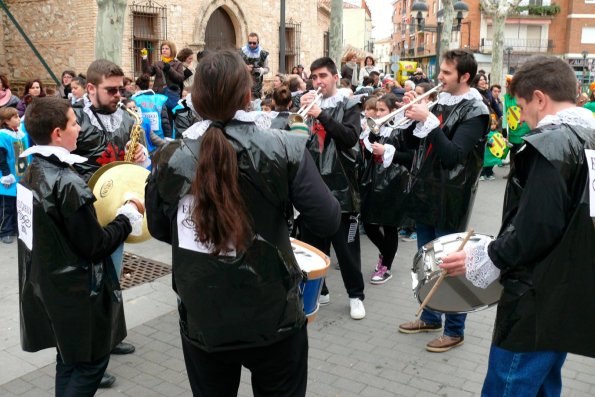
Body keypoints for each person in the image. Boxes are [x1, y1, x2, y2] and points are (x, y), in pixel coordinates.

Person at [145, 49, 340, 397]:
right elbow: (328, 220)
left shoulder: (170, 155)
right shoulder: (286, 146)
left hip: (204, 315)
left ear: (196, 100)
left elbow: (160, 229)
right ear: (248, 96)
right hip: (274, 314)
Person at [439, 56, 595, 395]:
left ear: (540, 98)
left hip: (535, 297)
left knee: (508, 385)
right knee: (544, 384)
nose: (521, 117)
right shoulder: (590, 138)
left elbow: (535, 228)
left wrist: (487, 256)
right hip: (571, 290)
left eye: (522, 106)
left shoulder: (551, 142)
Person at [18, 97, 144, 396]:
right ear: (57, 134)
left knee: (68, 359)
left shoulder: (30, 169)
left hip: (49, 286)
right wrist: (127, 216)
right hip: (78, 292)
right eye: (74, 123)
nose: (79, 129)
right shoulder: (66, 181)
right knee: (89, 365)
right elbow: (96, 246)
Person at [397, 49, 490, 352]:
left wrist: (430, 122)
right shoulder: (439, 102)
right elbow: (416, 146)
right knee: (427, 259)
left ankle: (455, 329)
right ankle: (430, 315)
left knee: (449, 264)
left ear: (464, 77)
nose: (439, 77)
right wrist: (410, 120)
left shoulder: (476, 111)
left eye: (447, 73)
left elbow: (452, 156)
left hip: (451, 196)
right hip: (426, 191)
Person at [71, 59, 150, 386]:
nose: (119, 95)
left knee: (113, 280)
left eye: (122, 88)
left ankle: (111, 337)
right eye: (111, 90)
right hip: (86, 213)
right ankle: (89, 360)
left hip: (117, 210)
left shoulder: (128, 116)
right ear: (90, 88)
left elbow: (132, 153)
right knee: (91, 289)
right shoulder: (73, 119)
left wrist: (141, 156)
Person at [299, 56, 366, 320]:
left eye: (323, 76)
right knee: (313, 246)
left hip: (342, 188)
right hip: (312, 187)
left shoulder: (350, 105)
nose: (318, 82)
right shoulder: (307, 104)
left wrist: (322, 115)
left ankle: (355, 296)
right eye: (314, 77)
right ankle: (320, 290)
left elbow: (349, 137)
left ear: (335, 78)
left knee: (346, 248)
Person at [359, 94, 414, 284]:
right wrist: (372, 132)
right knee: (368, 223)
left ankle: (386, 266)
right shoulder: (378, 127)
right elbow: (366, 152)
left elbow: (411, 158)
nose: (378, 113)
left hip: (395, 182)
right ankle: (386, 252)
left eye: (382, 110)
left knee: (390, 225)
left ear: (393, 111)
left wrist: (388, 152)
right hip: (374, 180)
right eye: (378, 109)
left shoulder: (405, 128)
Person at [0, 106, 28, 244]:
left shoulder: (21, 133)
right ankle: (5, 230)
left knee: (19, 204)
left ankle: (17, 228)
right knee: (7, 207)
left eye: (18, 115)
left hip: (20, 176)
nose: (19, 119)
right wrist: (6, 174)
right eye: (15, 117)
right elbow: (1, 157)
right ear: (6, 121)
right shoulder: (2, 135)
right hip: (8, 178)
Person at [503, 74, 531, 166]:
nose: (505, 85)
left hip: (523, 127)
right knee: (512, 151)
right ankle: (511, 172)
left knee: (521, 152)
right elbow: (505, 113)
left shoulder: (521, 96)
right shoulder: (506, 97)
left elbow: (527, 109)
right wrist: (504, 129)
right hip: (512, 129)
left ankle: (519, 175)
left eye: (506, 83)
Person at [240, 32, 270, 101]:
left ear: (258, 42)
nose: (252, 45)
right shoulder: (241, 52)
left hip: (257, 88)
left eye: (254, 43)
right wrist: (245, 68)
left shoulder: (263, 53)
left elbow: (267, 69)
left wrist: (261, 70)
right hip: (243, 86)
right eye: (250, 43)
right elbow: (235, 67)